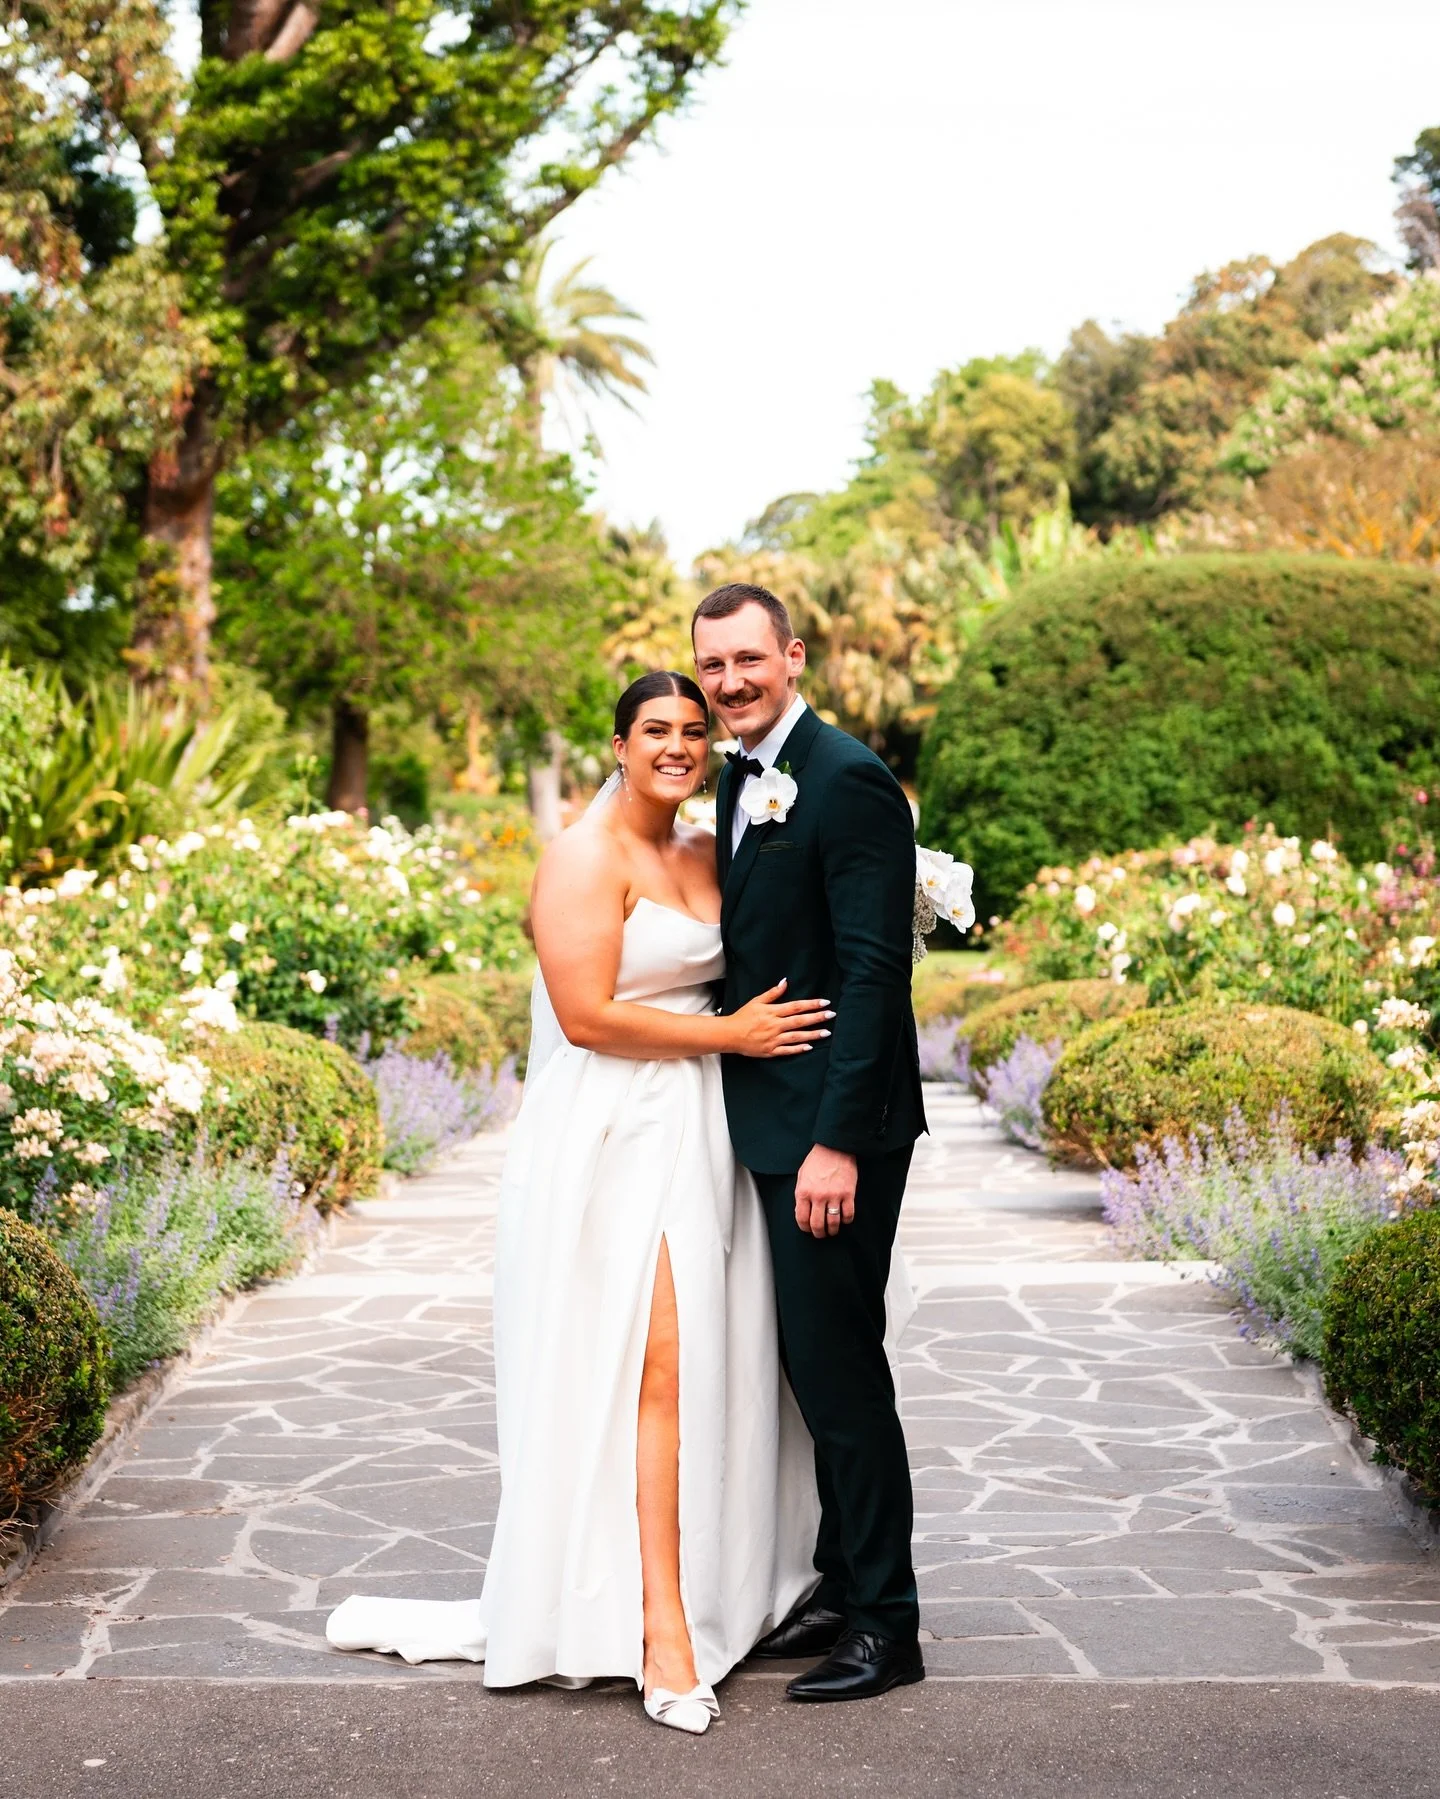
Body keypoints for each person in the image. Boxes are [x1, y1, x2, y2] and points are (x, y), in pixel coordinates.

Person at [328, 671, 830, 1734]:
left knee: (710, 1363)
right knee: (647, 1366)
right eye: (657, 729)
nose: (679, 745)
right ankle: (661, 1629)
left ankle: (727, 1586)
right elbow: (589, 1015)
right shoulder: (580, 857)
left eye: (695, 731)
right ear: (617, 742)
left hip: (706, 1130)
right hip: (613, 1135)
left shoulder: (708, 851)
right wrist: (731, 1037)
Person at [693, 582, 928, 1703]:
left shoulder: (846, 778)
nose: (731, 681)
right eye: (713, 667)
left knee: (839, 1375)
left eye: (748, 659)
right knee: (812, 1364)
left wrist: (835, 1143)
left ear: (791, 654)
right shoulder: (742, 778)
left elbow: (877, 970)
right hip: (776, 1120)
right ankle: (841, 1582)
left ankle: (889, 1624)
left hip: (840, 1131)